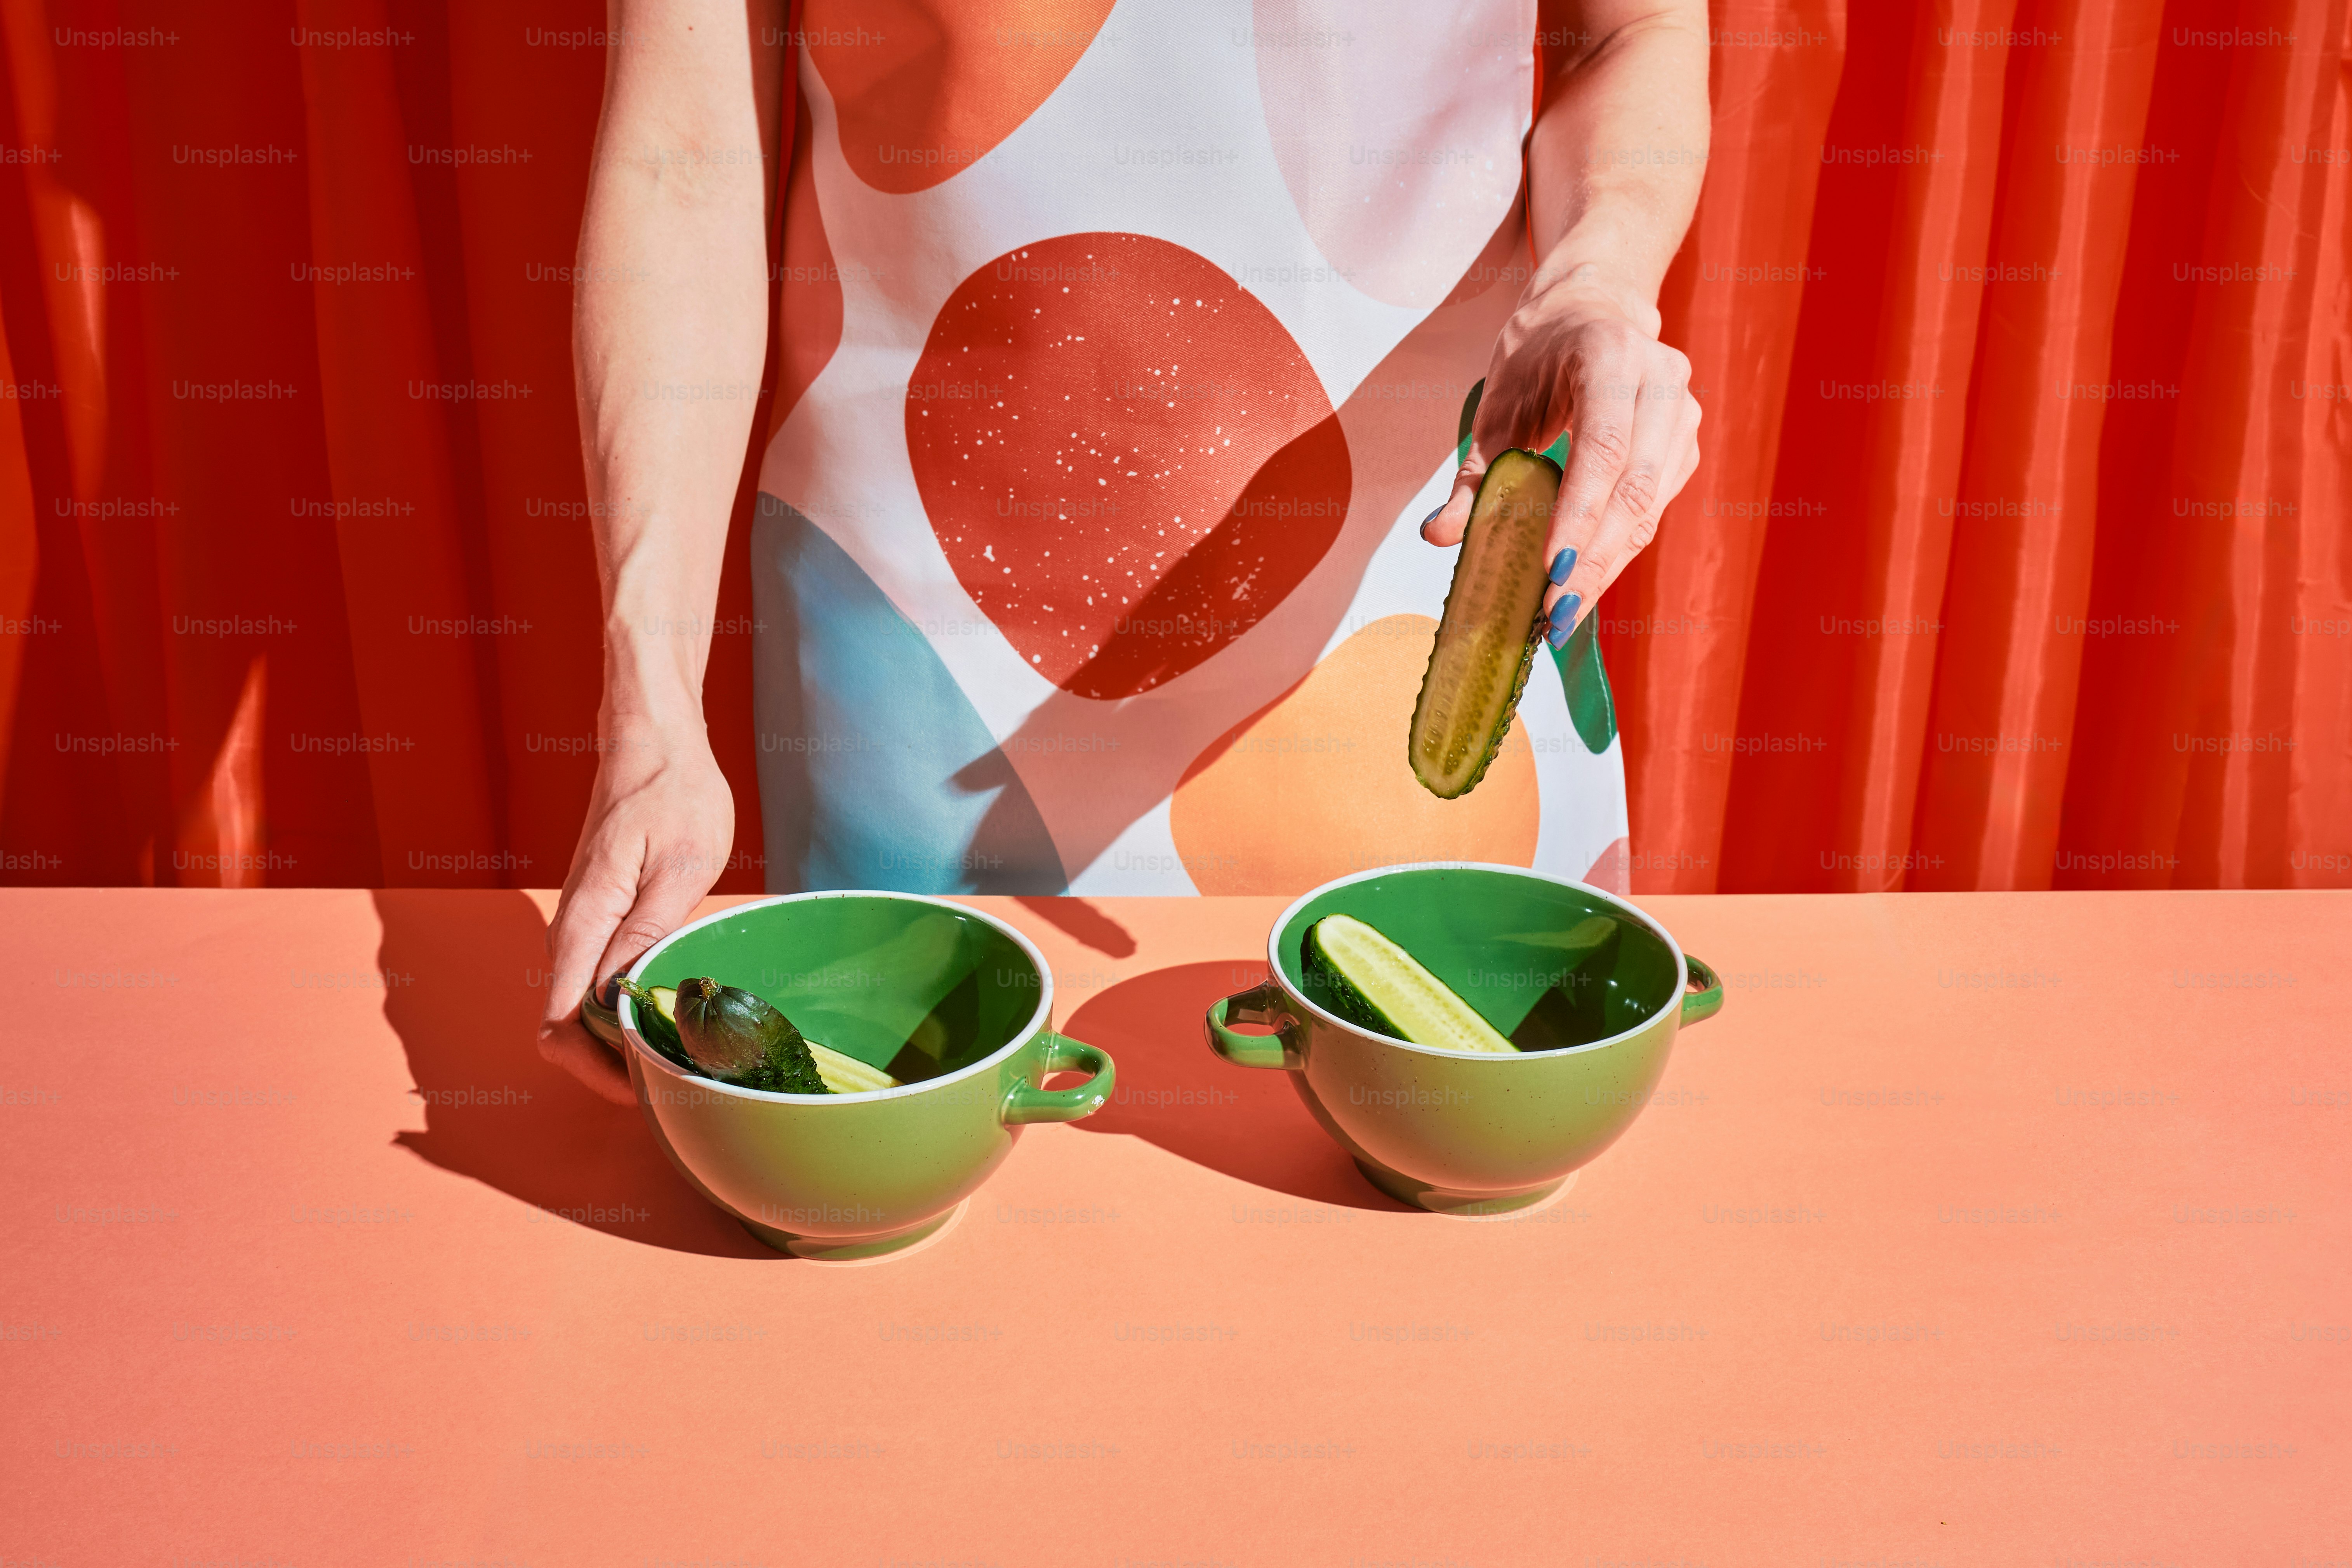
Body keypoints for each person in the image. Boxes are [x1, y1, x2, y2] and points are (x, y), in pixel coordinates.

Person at [541, 1, 1708, 1103]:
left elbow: (1636, 27)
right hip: (912, 652)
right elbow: (683, 152)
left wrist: (1596, 279)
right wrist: (649, 719)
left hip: (1427, 595)